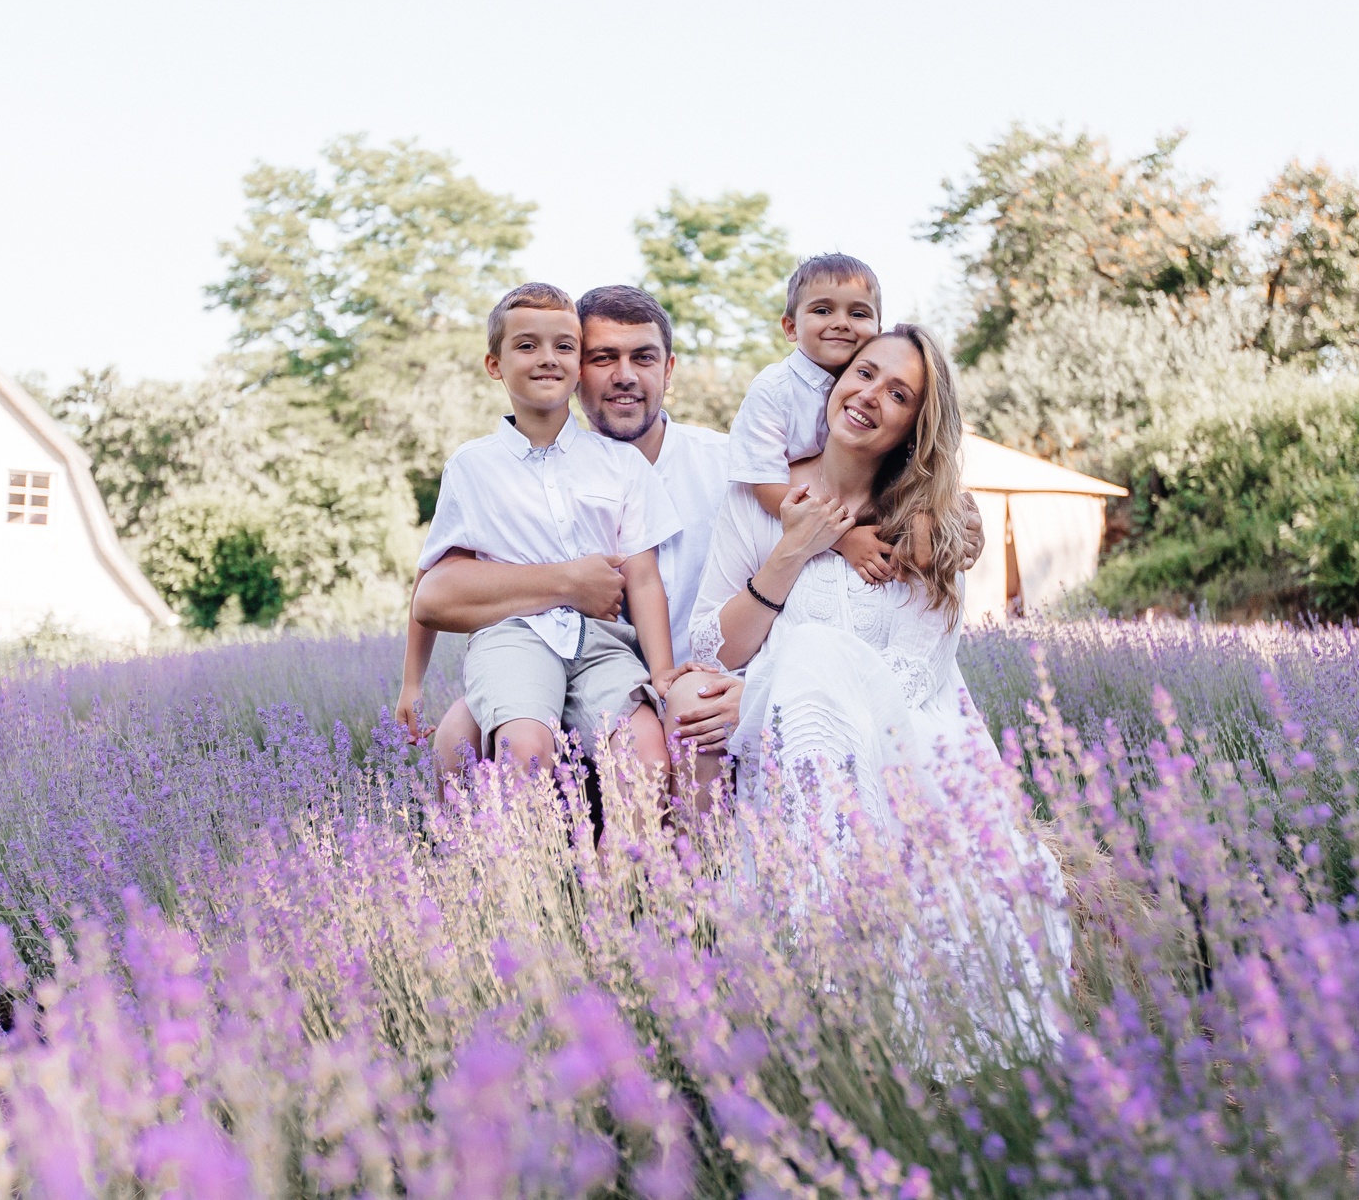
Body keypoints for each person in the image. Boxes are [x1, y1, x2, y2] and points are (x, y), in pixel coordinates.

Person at [691, 323, 1067, 1059]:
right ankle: (819, 945)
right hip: (788, 747)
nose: (869, 395)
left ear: (913, 427)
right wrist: (792, 549)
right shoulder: (758, 500)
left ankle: (840, 949)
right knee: (806, 662)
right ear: (836, 380)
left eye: (899, 394)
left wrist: (770, 686)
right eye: (863, 373)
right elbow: (714, 646)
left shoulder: (929, 523)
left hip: (902, 742)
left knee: (814, 656)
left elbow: (922, 668)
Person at [403, 286, 743, 806]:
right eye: (603, 357)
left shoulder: (726, 466)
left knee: (663, 744)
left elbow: (650, 579)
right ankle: (512, 880)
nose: (624, 375)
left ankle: (657, 879)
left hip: (633, 664)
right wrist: (567, 583)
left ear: (669, 369)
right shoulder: (478, 466)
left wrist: (675, 677)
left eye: (643, 358)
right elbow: (433, 588)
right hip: (536, 649)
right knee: (466, 741)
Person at [726, 253, 898, 586]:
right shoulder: (773, 391)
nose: (841, 322)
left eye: (858, 313)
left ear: (878, 331)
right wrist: (842, 539)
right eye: (822, 310)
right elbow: (766, 486)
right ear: (791, 327)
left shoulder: (873, 394)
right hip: (778, 530)